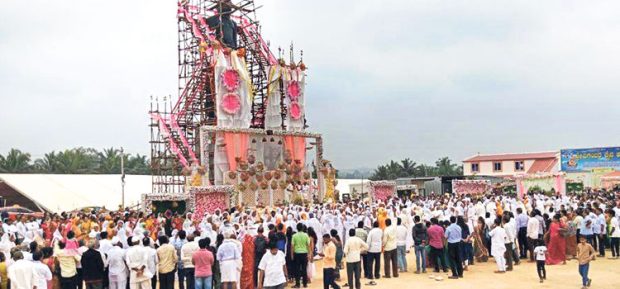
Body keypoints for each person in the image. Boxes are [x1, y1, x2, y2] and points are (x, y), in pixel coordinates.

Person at [291, 223, 310, 288]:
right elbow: (308, 245)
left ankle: (297, 284)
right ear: (302, 228)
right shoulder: (306, 235)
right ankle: (305, 284)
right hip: (304, 254)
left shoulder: (294, 236)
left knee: (297, 269)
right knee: (304, 269)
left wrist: (292, 255)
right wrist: (309, 254)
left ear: (297, 228)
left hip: (297, 254)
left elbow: (292, 246)